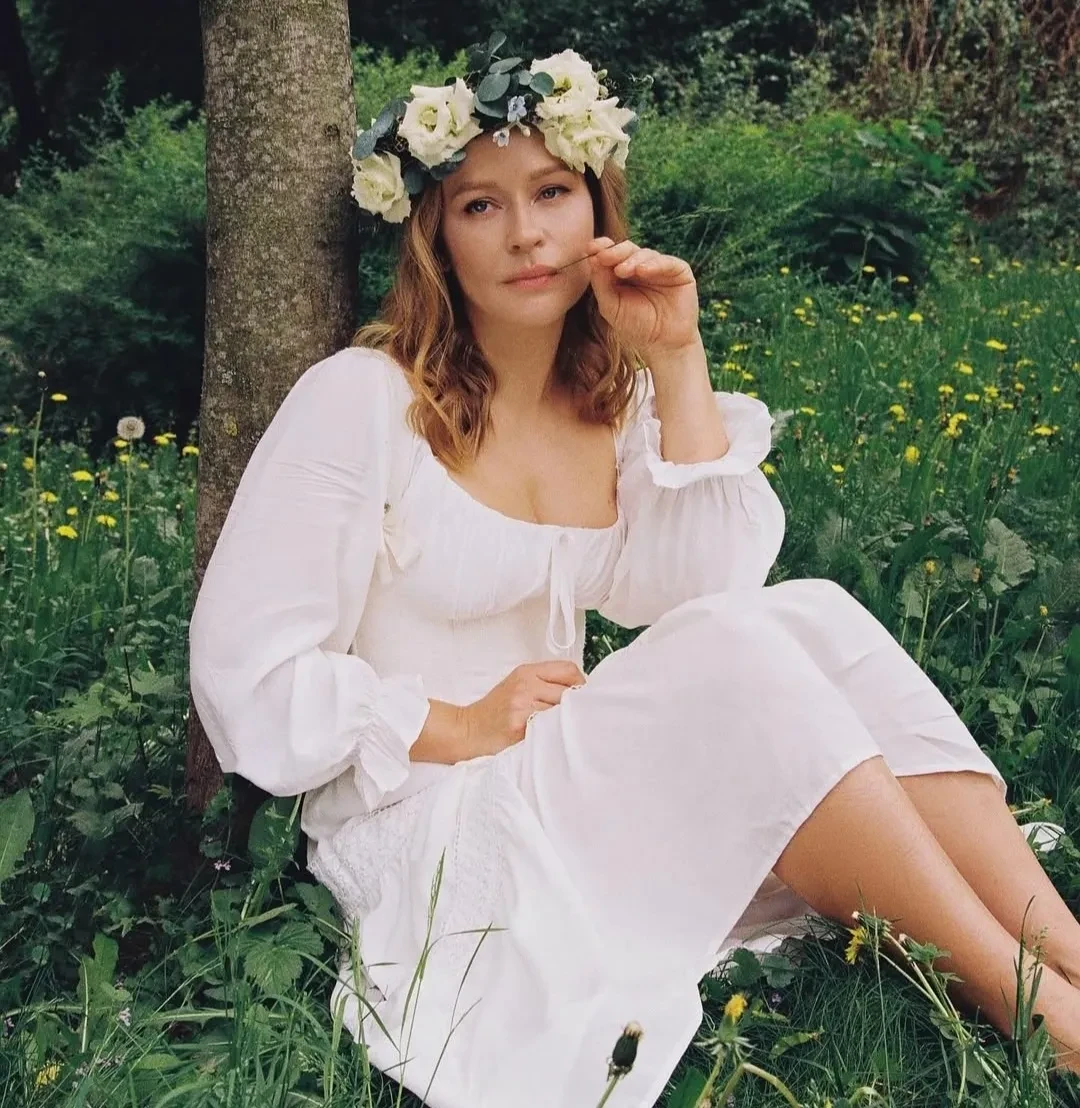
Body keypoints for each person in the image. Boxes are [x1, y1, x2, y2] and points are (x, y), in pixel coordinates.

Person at [187, 41, 1080, 1107]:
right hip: (429, 827)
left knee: (814, 611)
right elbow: (246, 675)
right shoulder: (360, 398)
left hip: (557, 772)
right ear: (434, 236)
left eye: (552, 193)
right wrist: (454, 720)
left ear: (596, 210)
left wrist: (676, 356)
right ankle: (1043, 1017)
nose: (526, 235)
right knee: (745, 646)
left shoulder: (605, 405)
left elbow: (709, 595)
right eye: (480, 206)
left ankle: (1065, 950)